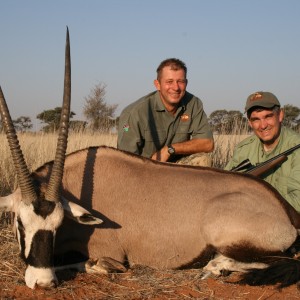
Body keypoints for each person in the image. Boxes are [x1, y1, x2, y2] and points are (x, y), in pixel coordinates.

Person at [117, 58, 214, 164]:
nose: (176, 87)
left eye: (180, 81)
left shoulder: (194, 103)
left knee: (203, 160)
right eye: (169, 82)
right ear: (157, 84)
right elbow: (124, 161)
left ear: (186, 83)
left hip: (177, 170)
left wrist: (169, 150)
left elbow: (208, 143)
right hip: (146, 170)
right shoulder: (134, 112)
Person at [225, 91, 300, 212]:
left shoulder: (296, 147)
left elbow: (297, 204)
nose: (263, 125)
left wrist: (253, 203)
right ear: (249, 123)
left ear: (280, 115)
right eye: (256, 119)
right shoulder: (243, 148)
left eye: (268, 116)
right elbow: (223, 184)